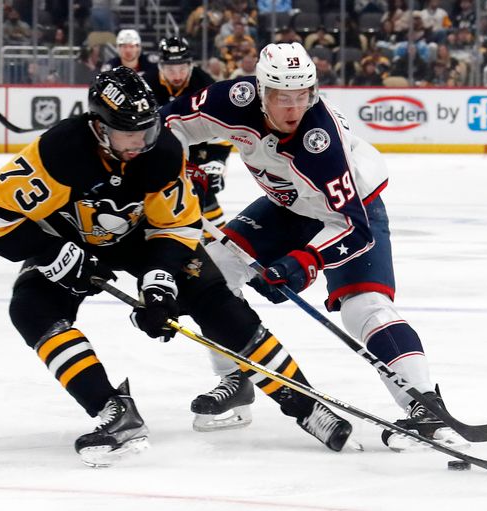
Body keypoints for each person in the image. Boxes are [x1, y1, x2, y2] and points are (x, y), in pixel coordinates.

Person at [0, 66, 353, 467]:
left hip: (142, 237)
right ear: (99, 127)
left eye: (147, 130)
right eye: (128, 133)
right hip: (70, 240)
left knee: (213, 297)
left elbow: (179, 225)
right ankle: (114, 412)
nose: (141, 142)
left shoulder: (162, 151)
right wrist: (56, 256)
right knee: (30, 308)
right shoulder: (61, 151)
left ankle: (307, 405)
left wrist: (158, 284)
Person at [162, 42, 464, 451]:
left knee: (363, 307)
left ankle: (425, 406)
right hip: (286, 204)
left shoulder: (321, 143)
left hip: (352, 209)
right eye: (282, 97)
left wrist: (304, 260)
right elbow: (169, 124)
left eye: (301, 96)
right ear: (261, 90)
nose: (292, 108)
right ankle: (236, 377)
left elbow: (353, 228)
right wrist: (167, 170)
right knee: (212, 272)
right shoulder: (233, 99)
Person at [143, 36, 232, 238]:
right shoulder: (145, 87)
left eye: (182, 69)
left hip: (198, 147)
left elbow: (222, 127)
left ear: (191, 66)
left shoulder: (205, 85)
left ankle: (214, 241)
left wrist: (216, 162)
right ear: (160, 67)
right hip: (158, 149)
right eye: (171, 69)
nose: (177, 75)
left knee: (203, 190)